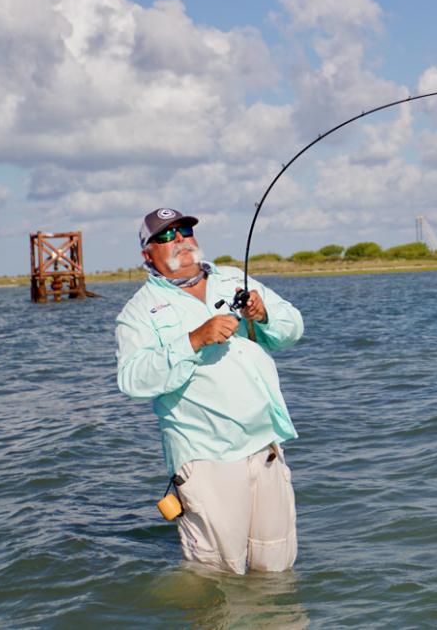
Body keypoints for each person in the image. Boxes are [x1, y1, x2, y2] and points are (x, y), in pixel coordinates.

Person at [115, 207, 304, 574]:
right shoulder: (137, 312)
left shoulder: (234, 279)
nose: (181, 240)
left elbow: (293, 329)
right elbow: (133, 381)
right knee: (217, 577)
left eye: (185, 230)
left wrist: (263, 315)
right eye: (167, 236)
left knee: (278, 570)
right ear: (147, 253)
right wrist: (194, 340)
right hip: (206, 457)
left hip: (265, 446)